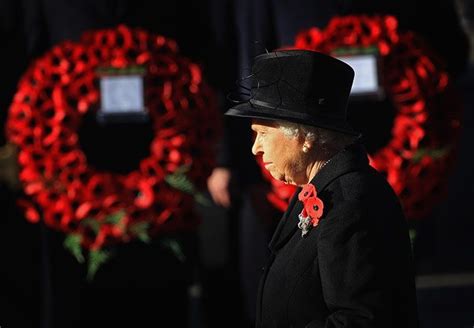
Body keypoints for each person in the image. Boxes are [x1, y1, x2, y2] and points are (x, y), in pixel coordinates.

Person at [224, 49, 419, 327]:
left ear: (304, 137)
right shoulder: (323, 186)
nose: (255, 148)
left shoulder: (351, 201)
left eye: (263, 134)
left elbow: (360, 319)